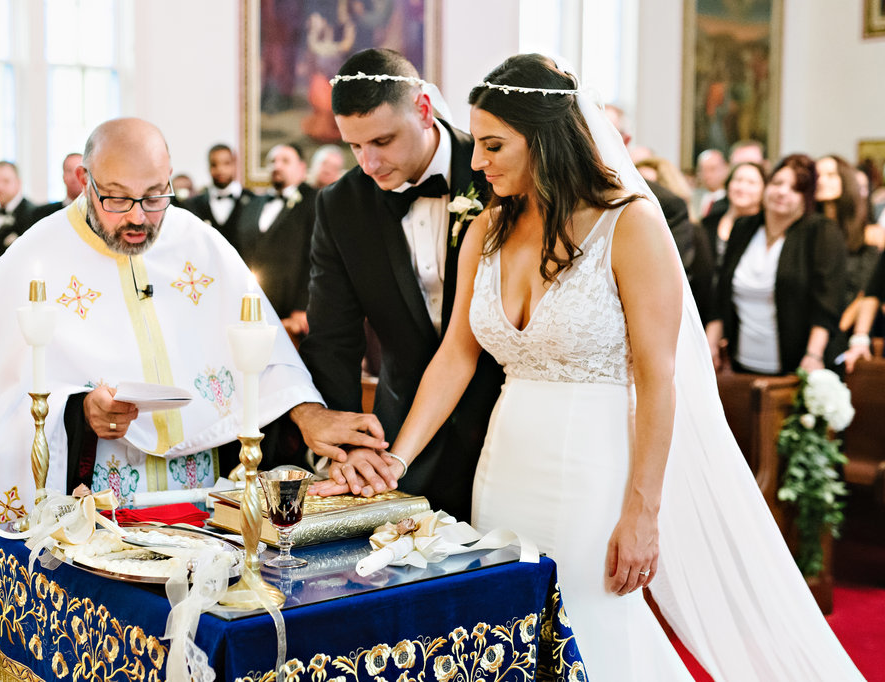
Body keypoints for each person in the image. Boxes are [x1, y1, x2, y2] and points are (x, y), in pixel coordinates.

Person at [314, 54, 864, 681]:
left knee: (591, 629)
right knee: (513, 634)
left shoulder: (629, 223)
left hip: (595, 475)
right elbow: (456, 357)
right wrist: (397, 462)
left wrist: (643, 512)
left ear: (545, 138)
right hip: (504, 470)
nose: (476, 162)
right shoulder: (487, 228)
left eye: (494, 145)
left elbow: (659, 378)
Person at [0, 118, 379, 538]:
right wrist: (78, 410)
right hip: (96, 500)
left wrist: (307, 412)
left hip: (207, 494)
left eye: (153, 197)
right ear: (83, 180)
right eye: (117, 199)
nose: (137, 218)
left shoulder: (201, 243)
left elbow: (264, 355)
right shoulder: (29, 262)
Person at [295, 48, 505, 521]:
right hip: (399, 439)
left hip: (506, 429)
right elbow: (333, 339)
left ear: (424, 111)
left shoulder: (498, 173)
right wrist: (349, 447)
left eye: (382, 141)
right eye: (354, 146)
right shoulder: (341, 206)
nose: (368, 163)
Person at [706, 154, 847, 375]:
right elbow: (722, 290)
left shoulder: (821, 231)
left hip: (797, 366)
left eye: (795, 188)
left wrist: (814, 355)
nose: (783, 192)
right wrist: (710, 344)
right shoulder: (744, 227)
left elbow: (827, 303)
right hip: (741, 364)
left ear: (806, 197)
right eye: (777, 183)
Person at [236, 143, 316, 338]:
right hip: (254, 308)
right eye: (272, 161)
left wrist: (302, 307)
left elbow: (314, 258)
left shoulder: (314, 202)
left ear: (302, 168)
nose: (276, 166)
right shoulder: (252, 204)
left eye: (285, 161)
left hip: (292, 312)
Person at [816, 155, 882, 340]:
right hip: (810, 329)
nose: (821, 181)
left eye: (830, 175)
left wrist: (836, 331)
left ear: (845, 179)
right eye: (817, 175)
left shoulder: (868, 234)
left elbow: (866, 290)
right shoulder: (810, 230)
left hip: (847, 331)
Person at [181, 144, 254, 246]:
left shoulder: (253, 201)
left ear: (235, 165)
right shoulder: (194, 204)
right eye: (214, 164)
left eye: (226, 163)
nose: (220, 169)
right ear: (209, 167)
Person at [700, 161, 766, 270]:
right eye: (738, 180)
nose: (742, 187)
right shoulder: (708, 222)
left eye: (751, 183)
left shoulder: (765, 227)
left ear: (764, 189)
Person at [30, 153, 83, 224]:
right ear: (63, 176)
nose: (75, 177)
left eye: (79, 171)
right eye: (69, 171)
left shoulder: (98, 214)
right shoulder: (42, 214)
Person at [691, 148, 729, 218]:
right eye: (702, 170)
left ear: (726, 168)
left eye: (712, 169)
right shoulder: (692, 197)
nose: (707, 175)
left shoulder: (731, 199)